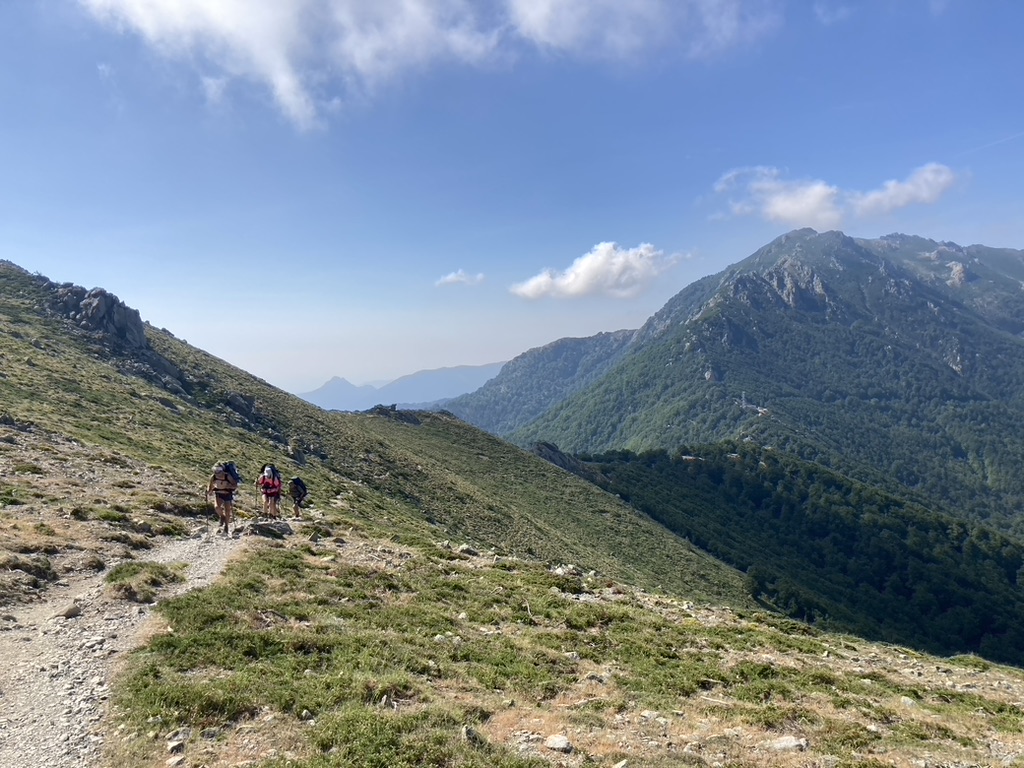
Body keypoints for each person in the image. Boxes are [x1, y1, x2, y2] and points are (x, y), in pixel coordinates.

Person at [207, 462, 238, 534]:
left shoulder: (228, 476)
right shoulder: (213, 477)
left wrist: (229, 487)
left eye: (218, 471)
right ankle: (222, 516)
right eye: (215, 471)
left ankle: (226, 526)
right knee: (217, 507)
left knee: (227, 510)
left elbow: (234, 485)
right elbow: (210, 485)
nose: (217, 473)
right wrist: (208, 491)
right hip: (218, 493)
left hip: (227, 494)